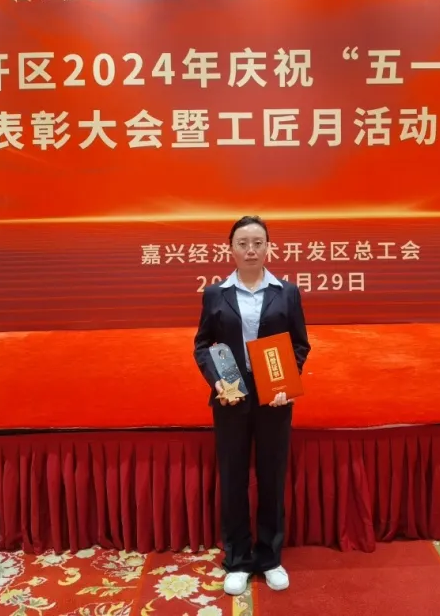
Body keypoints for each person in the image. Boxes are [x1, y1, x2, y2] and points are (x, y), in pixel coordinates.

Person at [192, 215, 311, 596]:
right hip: (231, 398)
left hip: (275, 399)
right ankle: (238, 560)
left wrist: (286, 382)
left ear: (269, 248)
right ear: (230, 248)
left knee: (272, 477)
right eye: (242, 243)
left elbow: (299, 345)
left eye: (258, 242)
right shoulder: (216, 294)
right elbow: (202, 345)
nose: (250, 250)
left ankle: (270, 558)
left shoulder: (286, 292)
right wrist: (217, 381)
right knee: (233, 478)